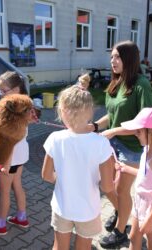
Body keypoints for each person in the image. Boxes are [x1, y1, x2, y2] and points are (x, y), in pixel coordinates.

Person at [89, 41, 152, 248]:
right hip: (113, 144)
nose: (113, 61)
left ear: (129, 59)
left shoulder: (141, 85)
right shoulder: (116, 82)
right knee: (107, 185)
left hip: (133, 148)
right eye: (111, 57)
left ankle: (120, 232)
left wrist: (114, 131)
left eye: (117, 57)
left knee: (120, 189)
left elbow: (146, 123)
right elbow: (112, 114)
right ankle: (121, 213)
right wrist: (95, 126)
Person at [41, 84, 114, 250]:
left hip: (62, 206)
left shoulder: (55, 138)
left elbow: (46, 175)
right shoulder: (101, 143)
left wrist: (62, 180)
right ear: (90, 111)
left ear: (62, 112)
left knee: (59, 246)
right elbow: (107, 186)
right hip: (88, 209)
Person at [116, 108, 152, 250]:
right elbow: (146, 174)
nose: (135, 134)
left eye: (139, 131)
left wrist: (150, 220)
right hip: (140, 202)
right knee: (133, 236)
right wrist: (127, 169)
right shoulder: (146, 148)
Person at [0, 71, 30, 235]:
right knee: (17, 185)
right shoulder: (23, 105)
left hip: (10, 156)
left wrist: (5, 164)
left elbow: (10, 140)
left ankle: (1, 224)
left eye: (5, 90)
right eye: (0, 90)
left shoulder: (11, 109)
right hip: (21, 155)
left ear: (17, 89)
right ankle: (21, 217)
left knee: (4, 191)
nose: (1, 94)